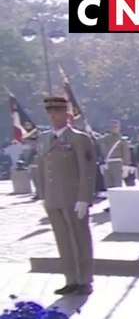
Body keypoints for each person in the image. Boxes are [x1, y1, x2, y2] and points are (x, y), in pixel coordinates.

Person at [35, 95, 97, 296]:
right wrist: (43, 194)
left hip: (73, 197)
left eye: (57, 112)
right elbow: (42, 168)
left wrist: (84, 197)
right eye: (50, 112)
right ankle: (71, 279)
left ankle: (84, 280)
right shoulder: (44, 139)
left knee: (80, 238)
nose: (53, 116)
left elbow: (87, 170)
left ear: (67, 114)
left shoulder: (78, 139)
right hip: (53, 197)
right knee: (62, 239)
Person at [99, 119, 131, 188]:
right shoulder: (105, 138)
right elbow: (98, 144)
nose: (113, 128)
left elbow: (126, 153)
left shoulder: (122, 140)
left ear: (119, 128)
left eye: (115, 127)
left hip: (117, 164)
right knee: (108, 184)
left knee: (118, 184)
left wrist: (126, 165)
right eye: (112, 127)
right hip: (107, 164)